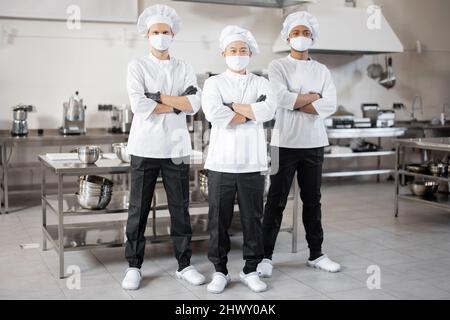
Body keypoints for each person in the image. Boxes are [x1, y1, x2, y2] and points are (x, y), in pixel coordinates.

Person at [122, 4, 205, 290]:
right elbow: (139, 105)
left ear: (173, 34)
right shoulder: (137, 66)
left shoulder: (184, 67)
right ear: (147, 35)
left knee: (180, 209)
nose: (160, 36)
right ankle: (134, 266)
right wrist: (175, 104)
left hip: (177, 148)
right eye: (156, 32)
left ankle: (185, 264)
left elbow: (194, 104)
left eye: (165, 32)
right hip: (144, 147)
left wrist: (157, 97)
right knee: (138, 209)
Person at [258, 11, 341, 278]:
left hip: (314, 143)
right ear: (287, 37)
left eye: (306, 33)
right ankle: (265, 257)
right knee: (276, 200)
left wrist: (297, 100)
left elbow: (330, 105)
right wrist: (312, 98)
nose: (301, 37)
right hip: (283, 143)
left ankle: (316, 254)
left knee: (312, 200)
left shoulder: (322, 70)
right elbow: (280, 98)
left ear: (313, 38)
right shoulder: (277, 67)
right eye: (296, 33)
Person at [202, 25, 276, 294]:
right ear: (223, 53)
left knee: (252, 219)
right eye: (233, 50)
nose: (237, 54)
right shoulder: (213, 83)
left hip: (253, 162)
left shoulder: (262, 82)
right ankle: (219, 271)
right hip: (221, 162)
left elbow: (268, 110)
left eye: (242, 50)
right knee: (217, 220)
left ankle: (250, 270)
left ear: (250, 53)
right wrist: (249, 111)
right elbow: (214, 114)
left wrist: (231, 106)